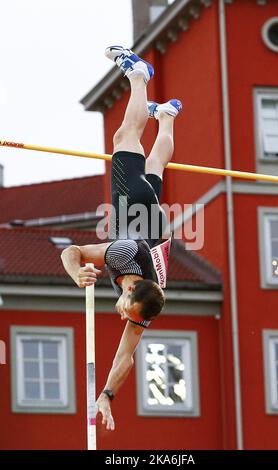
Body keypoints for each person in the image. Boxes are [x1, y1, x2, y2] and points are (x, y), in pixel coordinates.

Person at [61, 45, 182, 431]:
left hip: (154, 224)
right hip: (134, 216)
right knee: (123, 136)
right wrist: (75, 272)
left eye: (129, 317)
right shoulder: (120, 256)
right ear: (132, 291)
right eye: (126, 309)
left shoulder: (147, 302)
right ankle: (138, 75)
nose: (122, 315)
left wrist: (107, 395)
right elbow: (74, 250)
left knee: (155, 163)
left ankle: (166, 117)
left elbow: (125, 356)